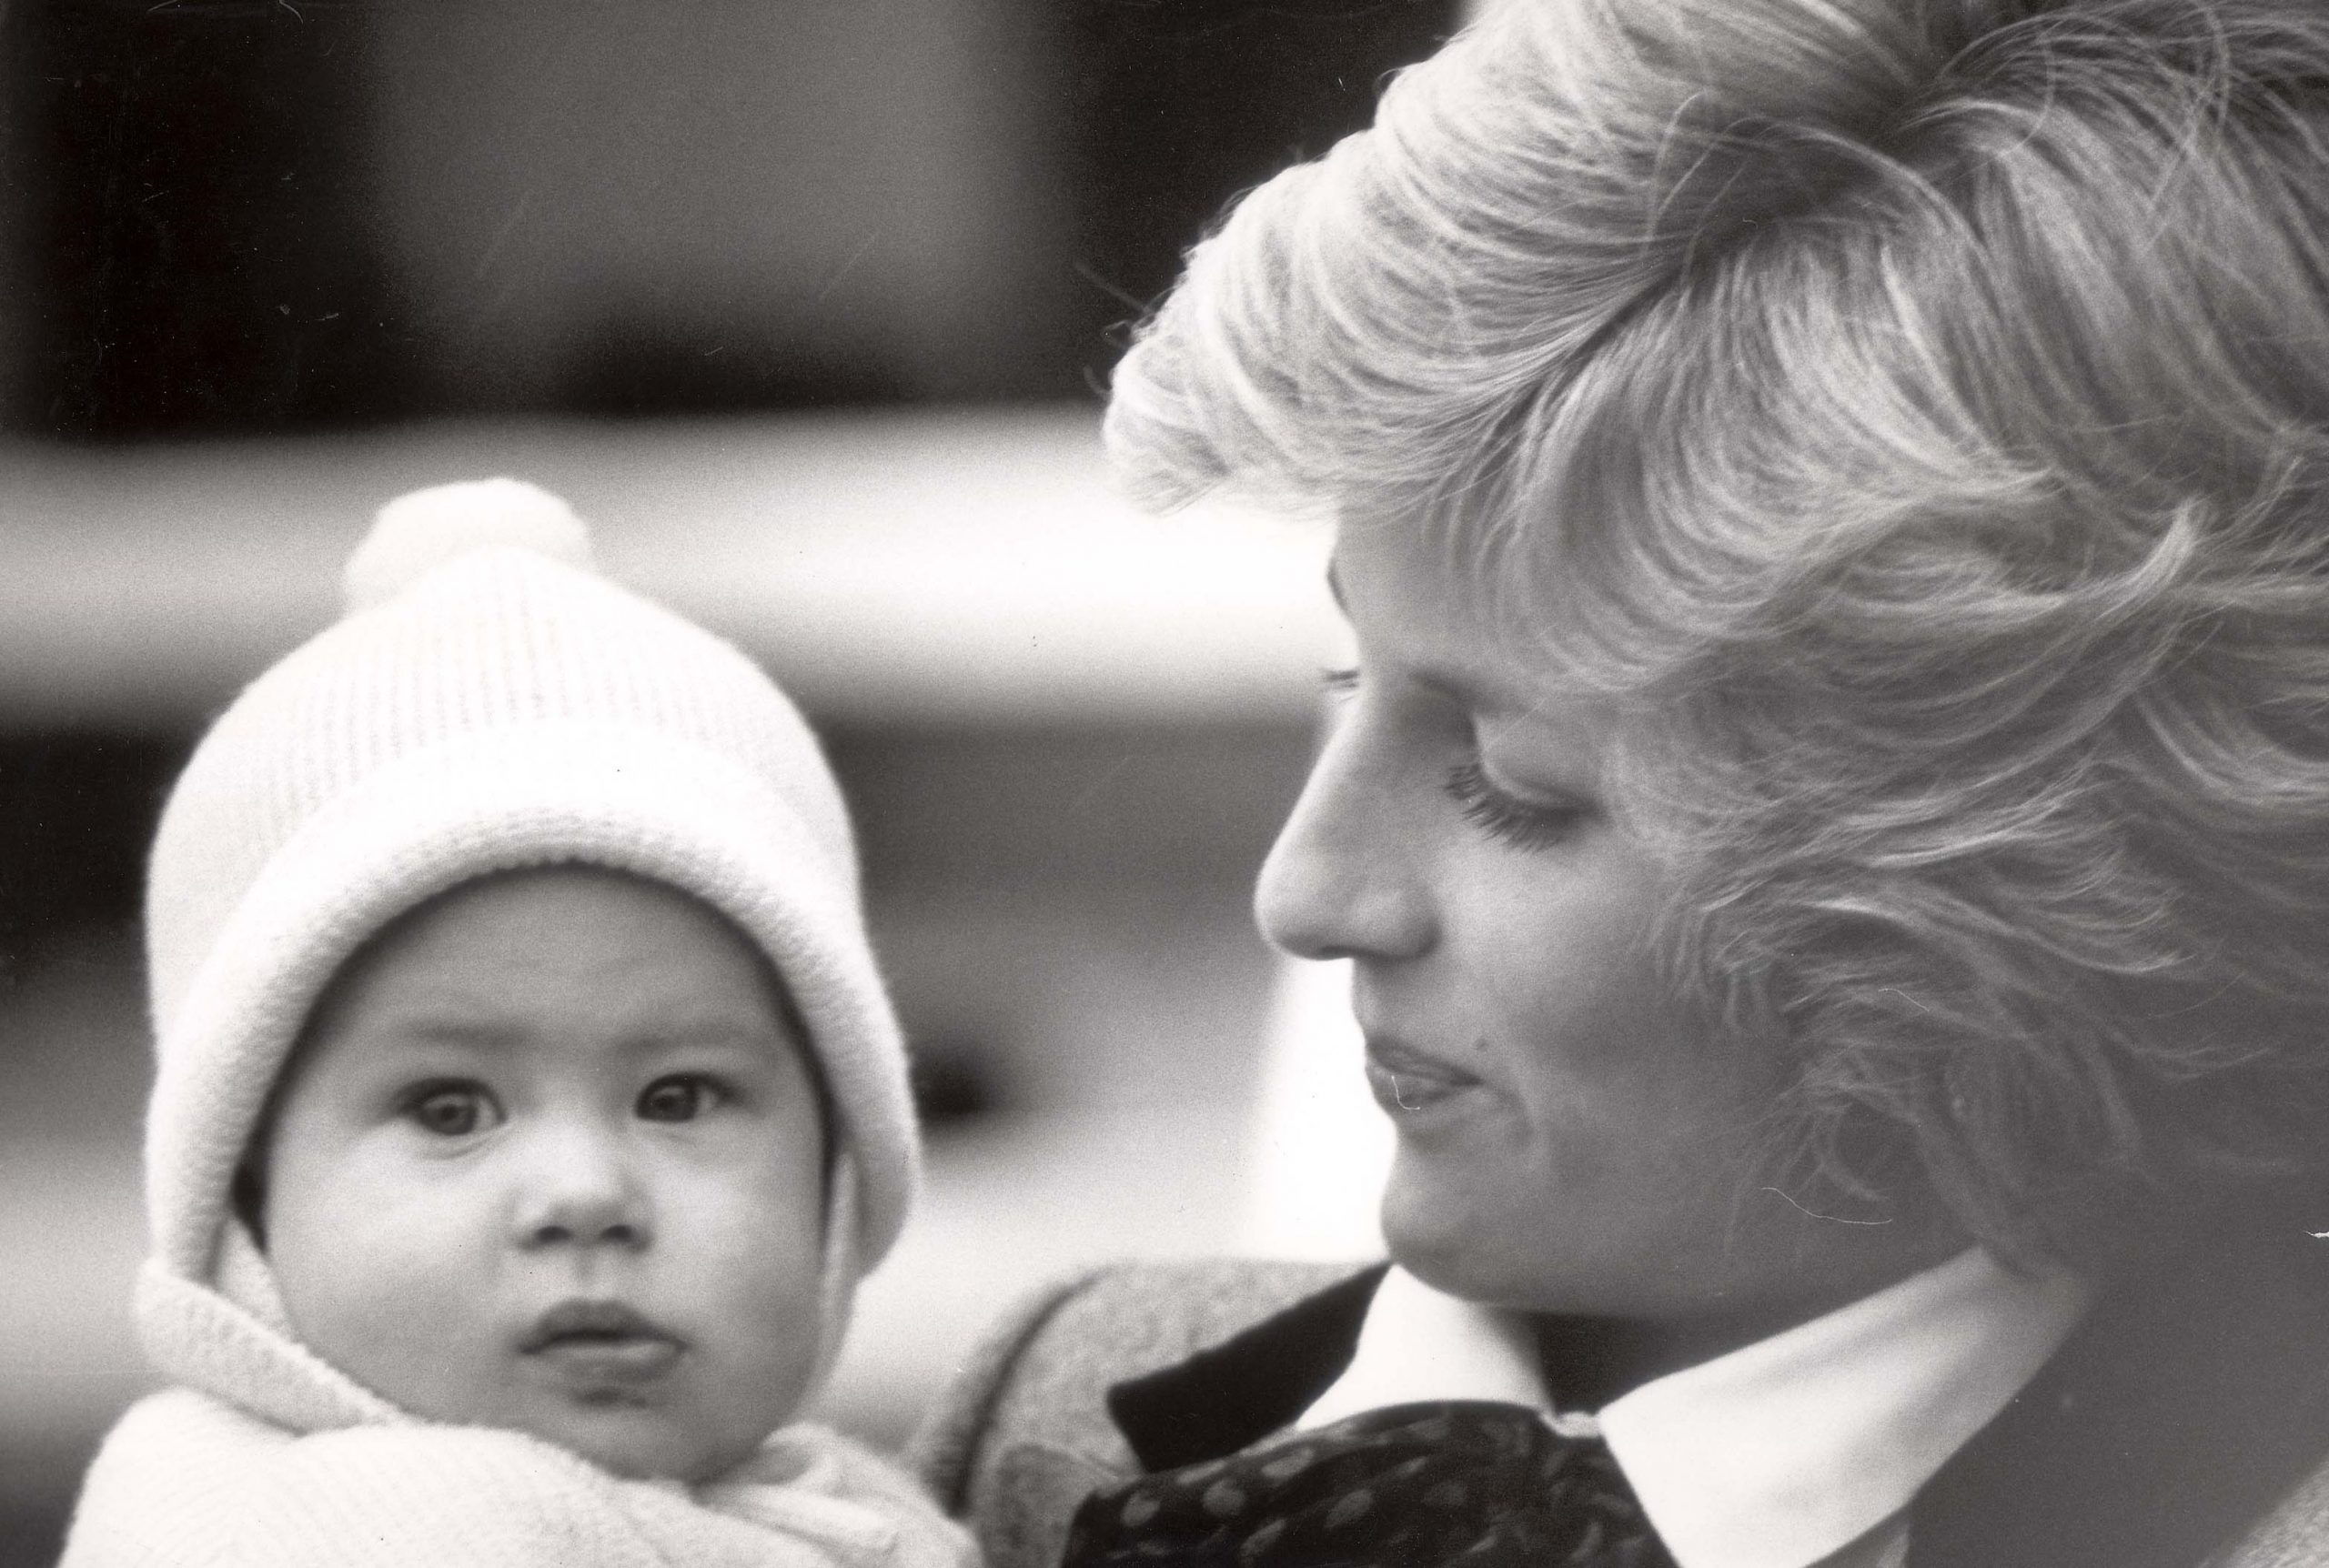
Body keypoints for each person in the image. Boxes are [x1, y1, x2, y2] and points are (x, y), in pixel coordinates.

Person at [913, 1, 2329, 1564]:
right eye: (1346, 685)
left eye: (1514, 780)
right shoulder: (1053, 1399)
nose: (1307, 890)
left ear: (2013, 888)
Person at [62, 478, 974, 1568]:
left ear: (841, 1159)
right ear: (245, 1190)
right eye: (449, 1108)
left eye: (677, 1096)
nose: (585, 1195)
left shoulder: (842, 1510)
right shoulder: (268, 1528)